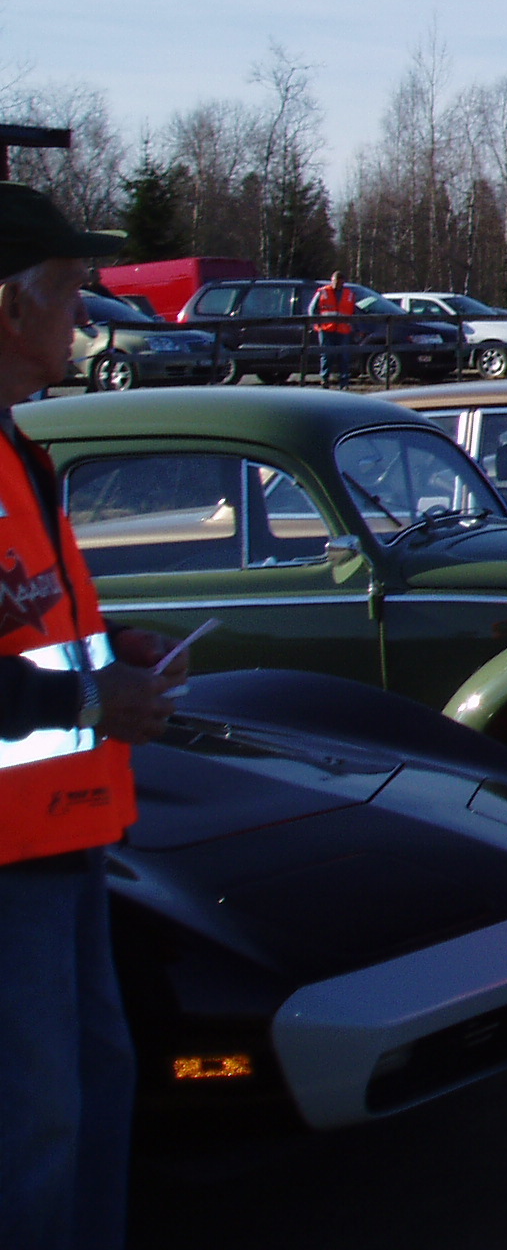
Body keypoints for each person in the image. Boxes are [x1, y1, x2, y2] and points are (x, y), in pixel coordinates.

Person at [0, 184, 185, 1250]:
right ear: (10, 306)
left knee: (89, 1097)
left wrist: (113, 653)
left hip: (63, 841)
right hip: (10, 863)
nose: (87, 312)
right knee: (33, 1129)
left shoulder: (18, 448)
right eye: (72, 287)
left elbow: (27, 623)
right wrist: (84, 697)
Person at [311, 270, 355, 388]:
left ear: (343, 282)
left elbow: (353, 312)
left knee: (344, 356)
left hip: (343, 330)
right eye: (334, 281)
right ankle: (324, 380)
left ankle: (344, 382)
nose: (336, 284)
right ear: (331, 280)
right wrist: (317, 324)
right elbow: (312, 309)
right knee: (327, 355)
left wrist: (354, 326)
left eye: (339, 281)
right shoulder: (323, 292)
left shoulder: (349, 294)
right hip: (326, 329)